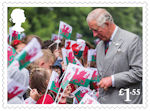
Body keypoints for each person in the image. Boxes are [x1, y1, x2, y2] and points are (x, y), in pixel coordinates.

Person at [86, 8, 142, 104]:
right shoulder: (99, 46)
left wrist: (113, 80)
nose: (94, 35)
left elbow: (140, 72)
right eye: (92, 30)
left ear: (107, 24)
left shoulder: (132, 40)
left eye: (96, 30)